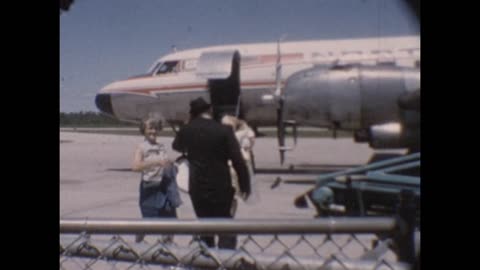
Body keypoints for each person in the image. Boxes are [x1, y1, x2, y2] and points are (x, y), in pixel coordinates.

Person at [172, 97, 250, 249]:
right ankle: (226, 259)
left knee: (204, 227)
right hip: (221, 188)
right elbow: (238, 161)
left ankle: (207, 261)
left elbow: (176, 146)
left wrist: (188, 125)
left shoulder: (187, 130)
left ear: (193, 113)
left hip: (198, 188)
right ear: (210, 111)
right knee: (224, 226)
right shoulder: (224, 130)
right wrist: (245, 184)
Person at [132, 118, 182, 243]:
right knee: (148, 221)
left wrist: (170, 165)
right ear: (144, 130)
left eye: (155, 128)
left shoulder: (161, 146)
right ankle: (138, 241)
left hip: (164, 186)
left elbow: (165, 162)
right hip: (150, 187)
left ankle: (167, 245)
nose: (153, 131)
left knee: (170, 220)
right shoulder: (141, 147)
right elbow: (135, 166)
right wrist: (155, 162)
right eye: (150, 128)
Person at [221, 115, 259, 209]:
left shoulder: (234, 134)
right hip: (245, 157)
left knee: (233, 184)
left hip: (233, 161)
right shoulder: (247, 131)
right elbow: (252, 141)